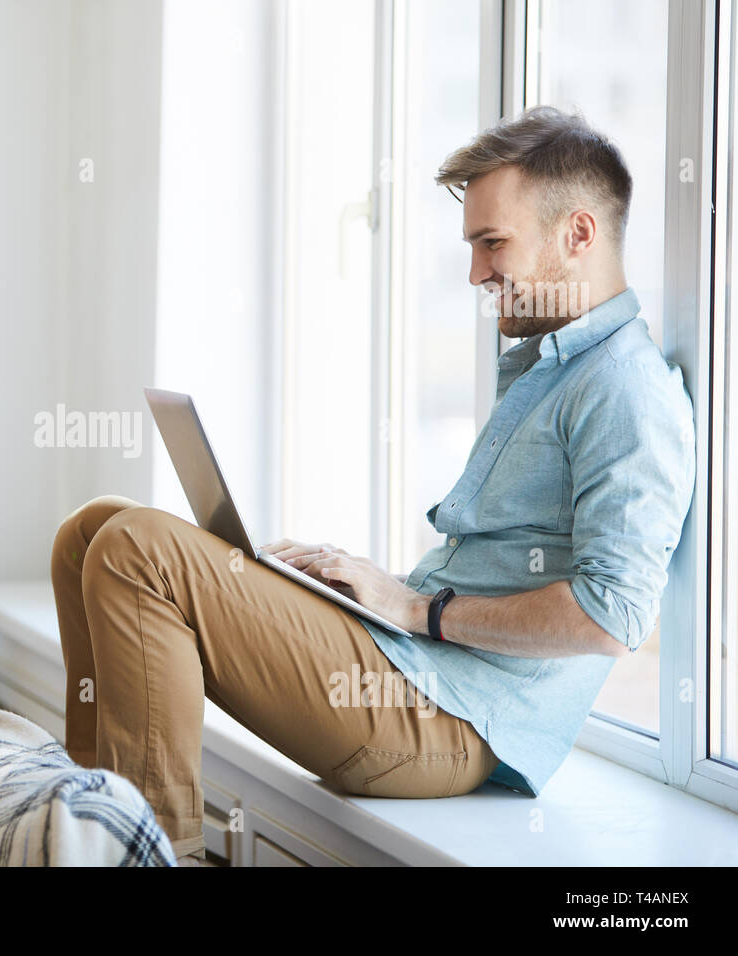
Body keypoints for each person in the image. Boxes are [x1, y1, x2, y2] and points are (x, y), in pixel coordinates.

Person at [50, 106, 696, 864]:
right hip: (412, 666)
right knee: (91, 532)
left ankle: (148, 858)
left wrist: (418, 608)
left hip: (453, 719)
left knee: (138, 550)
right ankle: (97, 838)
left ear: (577, 234)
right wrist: (364, 584)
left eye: (493, 244)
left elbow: (611, 616)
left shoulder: (627, 389)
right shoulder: (550, 368)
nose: (476, 273)